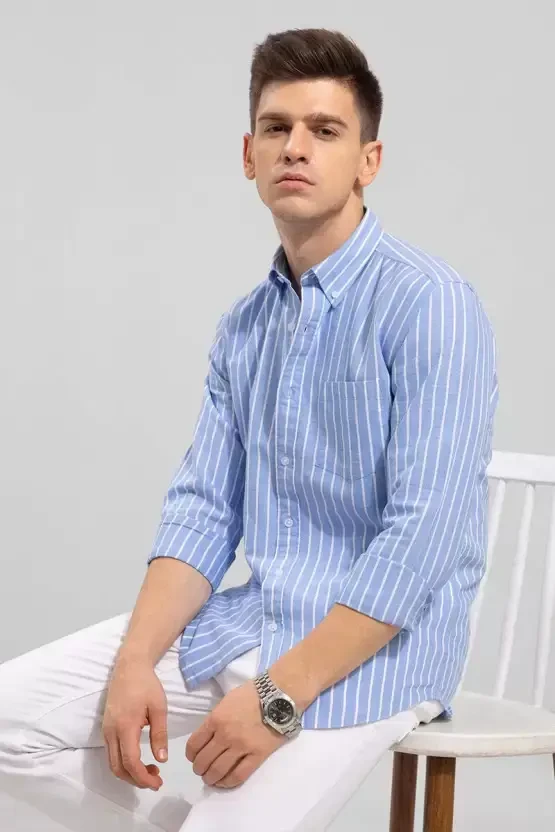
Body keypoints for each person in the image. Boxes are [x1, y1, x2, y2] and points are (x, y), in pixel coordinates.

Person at [0, 26, 499, 832]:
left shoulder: (428, 303)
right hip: (252, 619)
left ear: (368, 161)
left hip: (375, 654)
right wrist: (135, 662)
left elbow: (422, 537)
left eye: (324, 130)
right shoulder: (245, 327)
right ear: (249, 154)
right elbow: (203, 510)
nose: (295, 146)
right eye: (276, 128)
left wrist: (276, 697)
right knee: (7, 724)